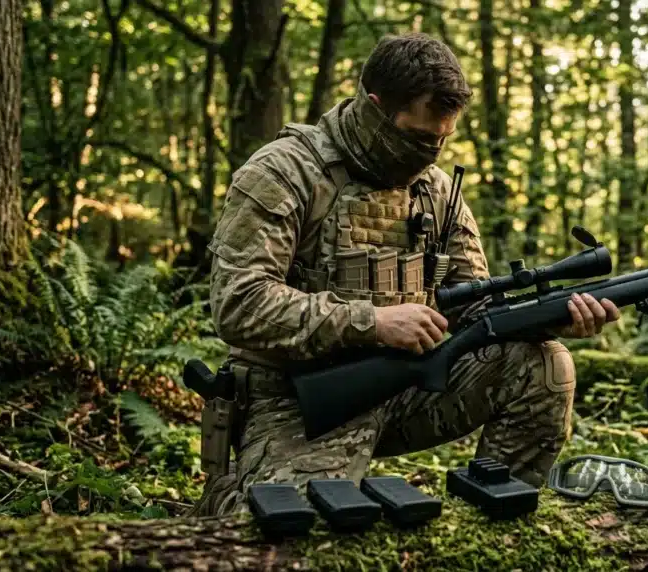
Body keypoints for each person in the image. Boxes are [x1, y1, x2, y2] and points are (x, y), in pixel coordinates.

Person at [191, 32, 620, 517]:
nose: (431, 153)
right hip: (298, 401)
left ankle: (493, 525)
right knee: (293, 528)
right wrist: (373, 321)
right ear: (375, 109)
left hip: (410, 388)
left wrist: (548, 320)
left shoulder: (437, 192)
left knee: (545, 364)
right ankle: (227, 498)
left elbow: (474, 306)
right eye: (419, 138)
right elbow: (239, 303)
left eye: (442, 140)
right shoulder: (285, 172)